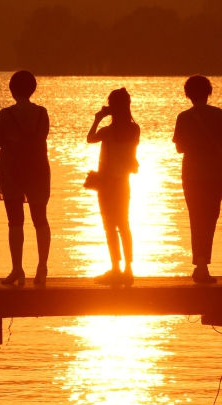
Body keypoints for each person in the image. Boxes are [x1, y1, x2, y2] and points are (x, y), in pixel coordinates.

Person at [172, 75, 222, 284]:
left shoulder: (183, 117)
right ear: (209, 92)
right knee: (209, 218)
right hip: (214, 173)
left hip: (191, 172)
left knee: (196, 217)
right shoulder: (218, 114)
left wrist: (195, 144)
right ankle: (202, 266)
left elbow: (179, 148)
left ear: (188, 95)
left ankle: (199, 265)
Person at [0, 70, 51, 286]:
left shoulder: (6, 115)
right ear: (33, 89)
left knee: (15, 221)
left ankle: (17, 269)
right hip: (38, 171)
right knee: (40, 220)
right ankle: (42, 268)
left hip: (13, 171)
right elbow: (41, 137)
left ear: (12, 89)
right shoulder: (42, 113)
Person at [86, 88, 140, 285]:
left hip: (107, 183)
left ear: (113, 107)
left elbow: (89, 138)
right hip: (123, 182)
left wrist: (98, 118)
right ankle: (127, 269)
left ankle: (116, 268)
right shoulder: (134, 129)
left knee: (110, 226)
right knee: (123, 224)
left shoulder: (107, 131)